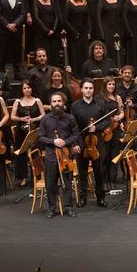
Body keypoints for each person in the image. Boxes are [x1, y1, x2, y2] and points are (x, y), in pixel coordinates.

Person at [37, 92, 82, 218]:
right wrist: (53, 141)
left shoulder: (70, 118)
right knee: (50, 184)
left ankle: (68, 207)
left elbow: (76, 135)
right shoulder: (45, 119)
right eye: (54, 101)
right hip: (51, 156)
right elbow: (40, 137)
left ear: (63, 103)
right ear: (50, 104)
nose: (57, 104)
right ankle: (51, 208)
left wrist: (65, 142)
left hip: (66, 156)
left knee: (67, 183)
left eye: (59, 101)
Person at [70, 79, 111, 208]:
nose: (88, 90)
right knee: (82, 171)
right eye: (86, 88)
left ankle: (101, 197)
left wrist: (97, 128)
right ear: (81, 89)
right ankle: (82, 199)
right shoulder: (75, 106)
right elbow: (72, 126)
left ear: (94, 90)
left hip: (97, 142)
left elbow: (107, 122)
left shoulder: (100, 103)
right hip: (81, 141)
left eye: (91, 88)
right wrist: (75, 143)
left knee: (99, 171)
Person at [11, 80, 45, 187]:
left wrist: (33, 119)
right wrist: (22, 118)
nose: (27, 90)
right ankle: (23, 177)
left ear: (32, 89)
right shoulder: (18, 101)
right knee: (21, 153)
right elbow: (12, 117)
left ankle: (38, 175)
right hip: (21, 130)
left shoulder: (37, 100)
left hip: (34, 129)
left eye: (29, 88)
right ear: (22, 90)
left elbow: (43, 115)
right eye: (25, 88)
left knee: (35, 152)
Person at [0, 0, 27, 78]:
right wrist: (8, 25)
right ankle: (0, 74)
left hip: (16, 30)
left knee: (16, 53)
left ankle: (17, 74)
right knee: (2, 53)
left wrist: (15, 24)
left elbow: (23, 14)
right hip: (4, 30)